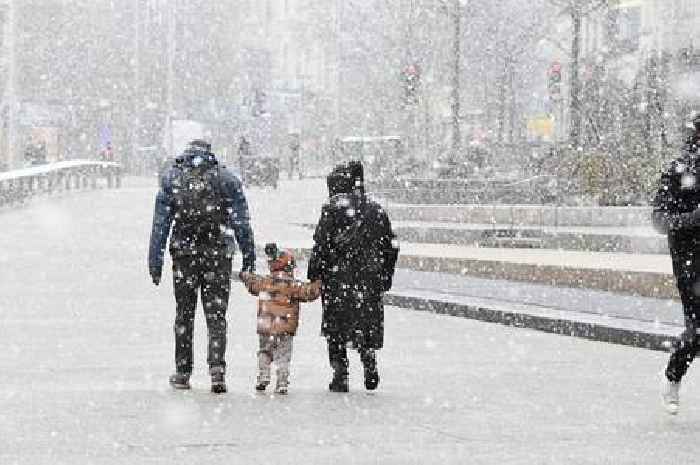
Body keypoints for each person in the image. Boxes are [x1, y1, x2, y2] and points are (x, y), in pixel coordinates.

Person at [148, 139, 256, 394]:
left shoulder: (172, 178)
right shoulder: (226, 179)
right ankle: (217, 369)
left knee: (184, 313)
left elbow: (160, 224)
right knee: (216, 315)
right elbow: (241, 221)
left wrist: (155, 260)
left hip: (184, 256)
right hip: (218, 255)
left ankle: (183, 371)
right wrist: (248, 256)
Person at [307, 160, 399, 392]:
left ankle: (341, 374)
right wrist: (386, 275)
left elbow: (321, 244)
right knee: (366, 323)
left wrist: (314, 273)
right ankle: (369, 361)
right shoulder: (376, 209)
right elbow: (391, 246)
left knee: (335, 327)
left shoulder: (332, 208)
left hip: (338, 278)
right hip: (369, 277)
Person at [652, 111, 700, 414]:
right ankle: (673, 376)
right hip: (691, 260)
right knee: (697, 330)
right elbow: (659, 218)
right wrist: (692, 219)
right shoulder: (678, 170)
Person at [241, 244, 320, 394]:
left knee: (265, 351)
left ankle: (263, 376)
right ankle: (282, 382)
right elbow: (309, 293)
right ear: (290, 268)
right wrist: (318, 284)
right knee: (283, 356)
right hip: (285, 327)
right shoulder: (293, 285)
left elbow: (252, 284)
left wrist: (245, 276)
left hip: (266, 326)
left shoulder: (264, 282)